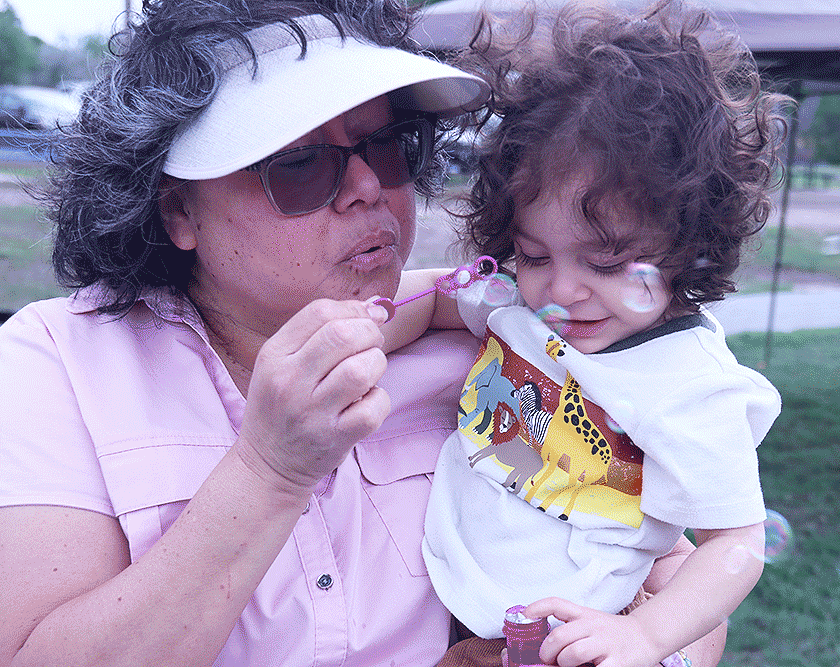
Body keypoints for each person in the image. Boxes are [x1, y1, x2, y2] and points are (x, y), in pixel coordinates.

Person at [0, 1, 726, 666]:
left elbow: (667, 571)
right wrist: (268, 471)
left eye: (387, 146)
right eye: (300, 164)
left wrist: (649, 650)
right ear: (177, 212)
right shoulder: (62, 363)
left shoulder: (492, 353)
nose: (368, 188)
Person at [377, 2, 788, 665]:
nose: (561, 289)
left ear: (690, 241)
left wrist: (647, 637)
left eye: (605, 261)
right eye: (536, 253)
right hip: (437, 602)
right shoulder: (520, 299)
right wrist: (348, 331)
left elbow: (734, 542)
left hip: (563, 637)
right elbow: (429, 301)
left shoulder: (692, 387)